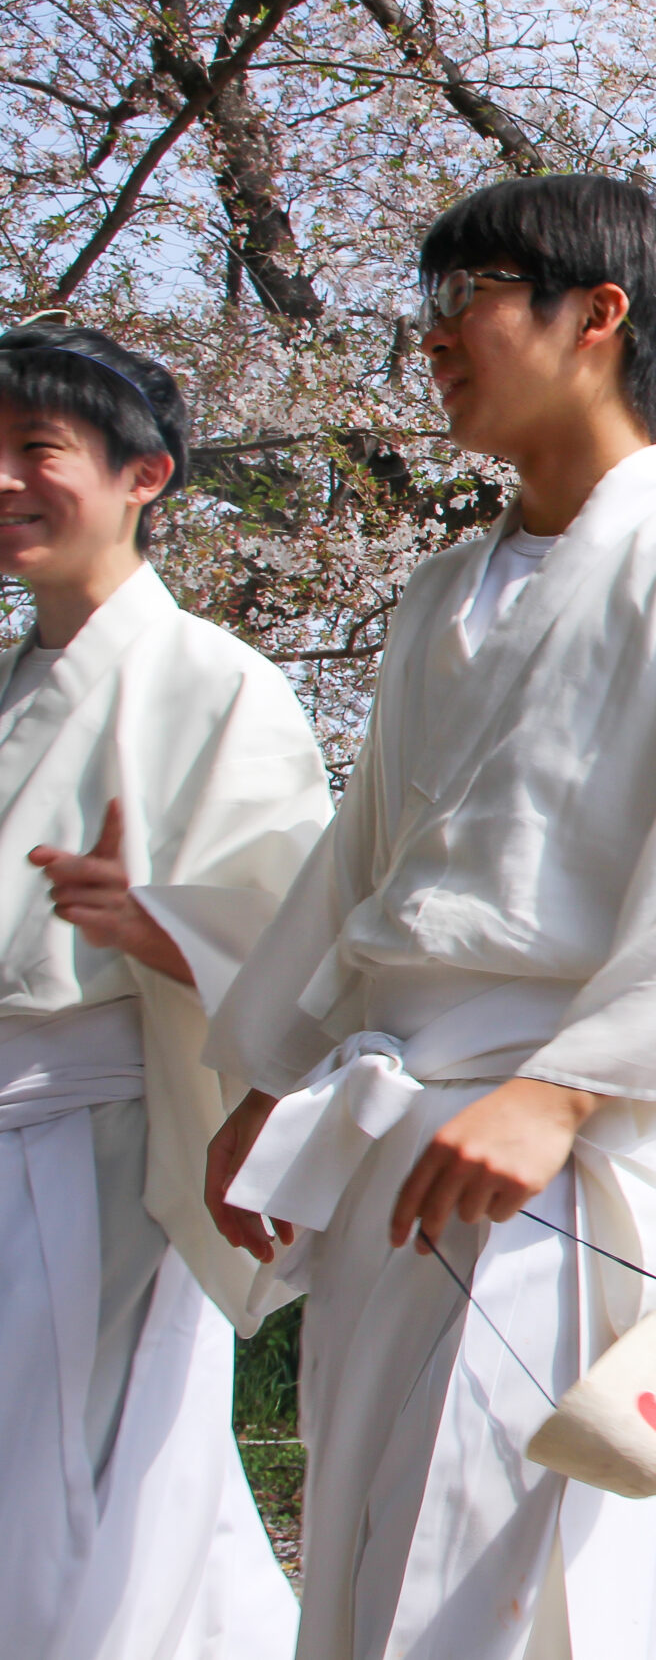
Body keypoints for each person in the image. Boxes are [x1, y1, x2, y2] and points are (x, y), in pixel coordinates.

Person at [203, 175, 656, 1660]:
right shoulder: (441, 593)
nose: (433, 339)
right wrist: (265, 1080)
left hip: (565, 1145)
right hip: (392, 1118)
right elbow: (358, 863)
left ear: (596, 315)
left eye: (467, 298)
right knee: (367, 1548)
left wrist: (562, 1087)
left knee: (502, 1572)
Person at [0, 322, 327, 1657]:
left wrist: (159, 929)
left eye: (35, 451)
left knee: (73, 1492)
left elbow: (304, 941)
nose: (5, 483)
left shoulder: (218, 685)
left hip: (98, 1143)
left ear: (146, 475)